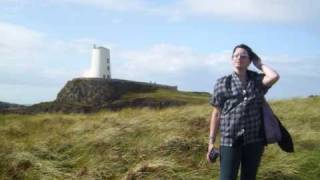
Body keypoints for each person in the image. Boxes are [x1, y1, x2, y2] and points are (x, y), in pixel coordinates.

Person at [207, 44, 280, 180]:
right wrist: (211, 142)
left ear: (249, 60)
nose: (239, 58)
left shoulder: (257, 80)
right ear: (231, 59)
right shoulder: (222, 82)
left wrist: (259, 64)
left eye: (244, 56)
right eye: (236, 55)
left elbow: (274, 76)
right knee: (227, 177)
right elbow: (216, 113)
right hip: (230, 140)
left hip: (254, 140)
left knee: (249, 177)